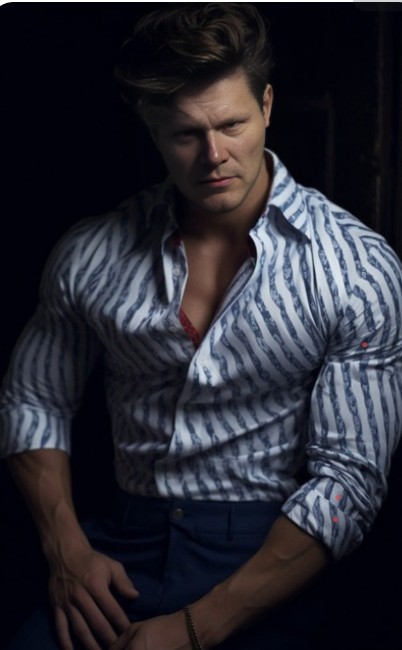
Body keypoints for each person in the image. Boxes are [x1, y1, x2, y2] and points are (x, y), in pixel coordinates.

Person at [1, 3, 402, 650]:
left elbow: (349, 481)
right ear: (152, 128)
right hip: (119, 553)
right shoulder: (90, 254)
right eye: (186, 134)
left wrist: (194, 629)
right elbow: (34, 399)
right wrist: (66, 551)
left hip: (271, 560)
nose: (214, 156)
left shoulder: (354, 268)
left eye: (232, 124)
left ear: (266, 105)